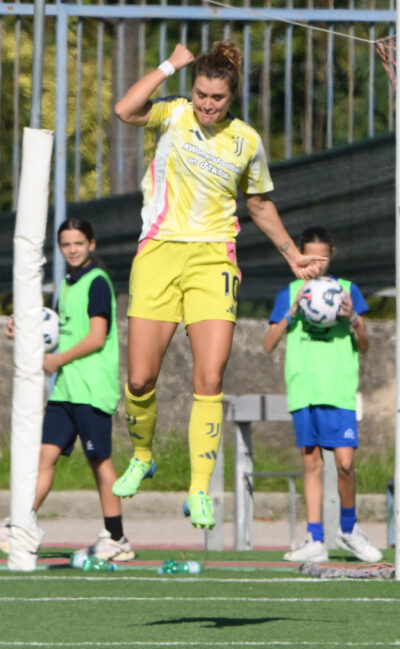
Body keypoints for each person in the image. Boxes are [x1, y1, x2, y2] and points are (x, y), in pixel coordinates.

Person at [110, 41, 325, 530]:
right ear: (193, 90)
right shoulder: (171, 115)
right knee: (140, 378)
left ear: (232, 98)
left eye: (218, 99)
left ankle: (200, 490)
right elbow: (124, 109)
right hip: (159, 254)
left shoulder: (245, 141)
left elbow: (259, 205)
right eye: (203, 95)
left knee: (209, 378)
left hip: (213, 261)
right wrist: (169, 65)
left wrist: (292, 254)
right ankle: (143, 455)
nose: (208, 105)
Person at [0, 218, 132, 561]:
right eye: (66, 244)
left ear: (91, 244)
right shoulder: (67, 283)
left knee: (99, 461)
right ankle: (21, 525)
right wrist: (22, 327)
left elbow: (96, 337)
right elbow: (54, 329)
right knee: (44, 456)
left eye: (78, 243)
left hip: (91, 387)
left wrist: (57, 361)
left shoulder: (97, 281)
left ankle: (116, 538)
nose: (72, 250)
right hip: (65, 390)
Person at [263, 226, 381, 563]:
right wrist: (291, 312)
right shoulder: (290, 292)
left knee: (345, 464)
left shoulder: (346, 290)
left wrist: (355, 320)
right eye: (311, 258)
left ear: (331, 255)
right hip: (304, 389)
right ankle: (315, 538)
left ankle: (349, 529)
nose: (317, 264)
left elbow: (365, 346)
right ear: (301, 256)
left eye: (323, 257)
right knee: (311, 462)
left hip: (339, 389)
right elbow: (268, 345)